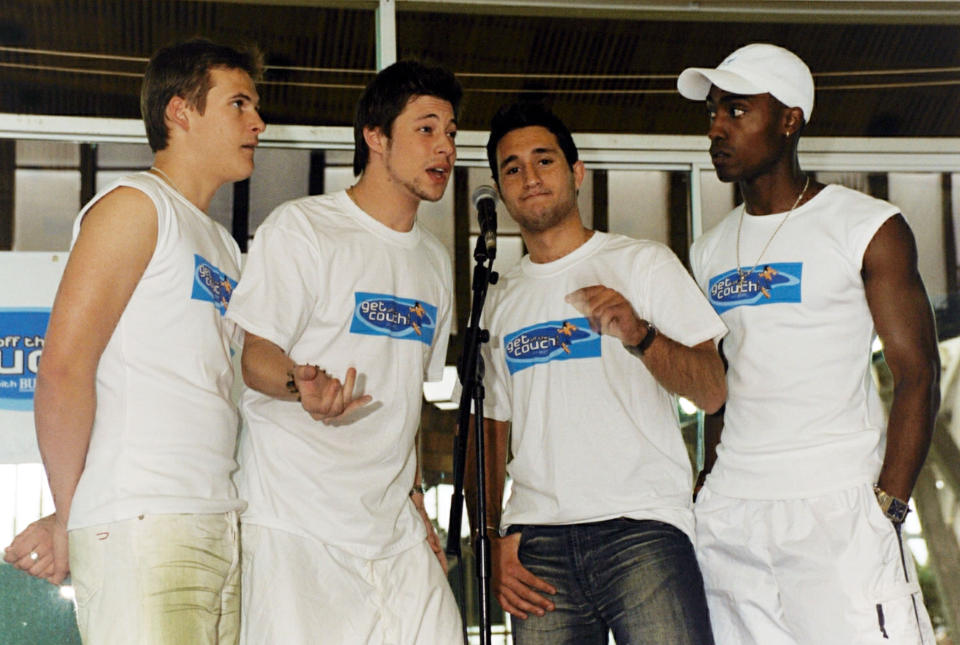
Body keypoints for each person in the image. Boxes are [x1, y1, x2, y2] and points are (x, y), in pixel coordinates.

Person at [678, 43, 939, 644]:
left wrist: (889, 508)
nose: (717, 128)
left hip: (838, 507)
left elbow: (918, 373)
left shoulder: (866, 226)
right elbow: (721, 381)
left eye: (737, 111)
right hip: (733, 513)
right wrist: (706, 481)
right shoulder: (708, 250)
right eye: (713, 112)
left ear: (790, 119)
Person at [9, 38, 265, 644]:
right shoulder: (135, 207)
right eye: (239, 104)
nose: (259, 122)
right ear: (181, 112)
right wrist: (73, 516)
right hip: (142, 523)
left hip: (217, 521)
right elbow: (64, 369)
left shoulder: (224, 247)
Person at [466, 101, 726, 644]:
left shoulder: (642, 263)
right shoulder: (499, 299)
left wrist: (641, 335)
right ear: (500, 186)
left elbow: (712, 388)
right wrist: (491, 537)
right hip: (537, 548)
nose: (529, 177)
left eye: (544, 160)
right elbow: (490, 432)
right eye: (512, 168)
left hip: (644, 530)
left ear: (577, 172)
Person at [224, 60, 463, 644]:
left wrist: (414, 495)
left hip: (395, 532)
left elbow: (405, 400)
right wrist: (300, 385)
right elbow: (255, 355)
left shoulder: (434, 261)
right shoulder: (303, 229)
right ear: (376, 137)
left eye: (452, 132)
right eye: (426, 129)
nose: (445, 148)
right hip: (295, 525)